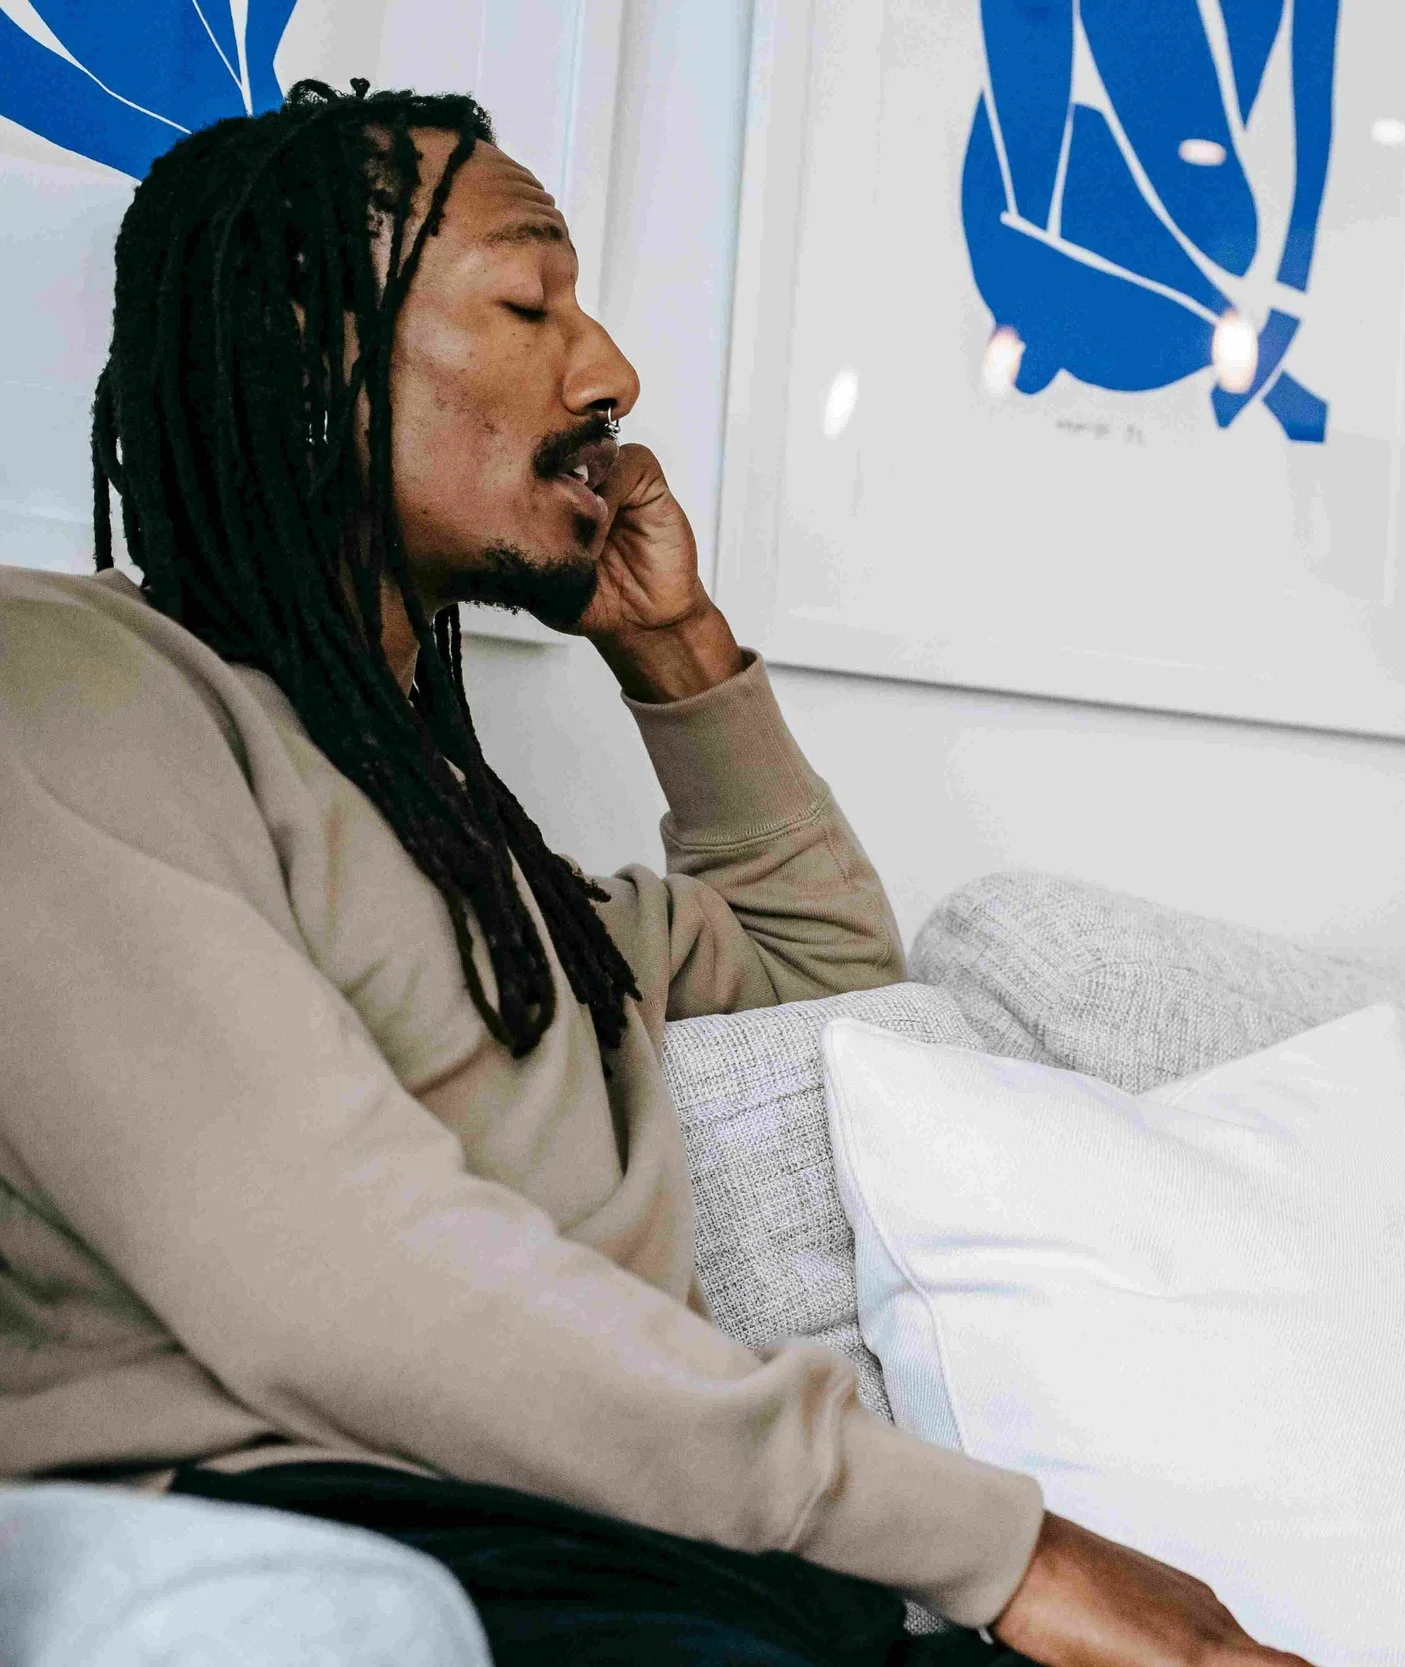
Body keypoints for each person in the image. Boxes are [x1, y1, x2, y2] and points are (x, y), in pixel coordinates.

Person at [0, 81, 1308, 1667]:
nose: (609, 370)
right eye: (529, 299)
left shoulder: (509, 886)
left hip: (654, 1564)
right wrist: (1004, 1546)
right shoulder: (69, 694)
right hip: (329, 1546)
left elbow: (836, 997)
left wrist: (677, 654)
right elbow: (329, 1267)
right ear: (313, 343)